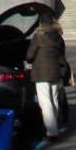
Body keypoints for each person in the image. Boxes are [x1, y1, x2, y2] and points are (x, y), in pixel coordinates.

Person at [25, 9, 67, 141]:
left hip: (42, 72)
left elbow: (30, 55)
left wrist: (29, 60)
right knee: (54, 100)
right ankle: (53, 126)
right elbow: (62, 53)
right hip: (56, 71)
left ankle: (51, 132)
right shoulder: (58, 37)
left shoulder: (38, 37)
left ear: (40, 23)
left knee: (45, 102)